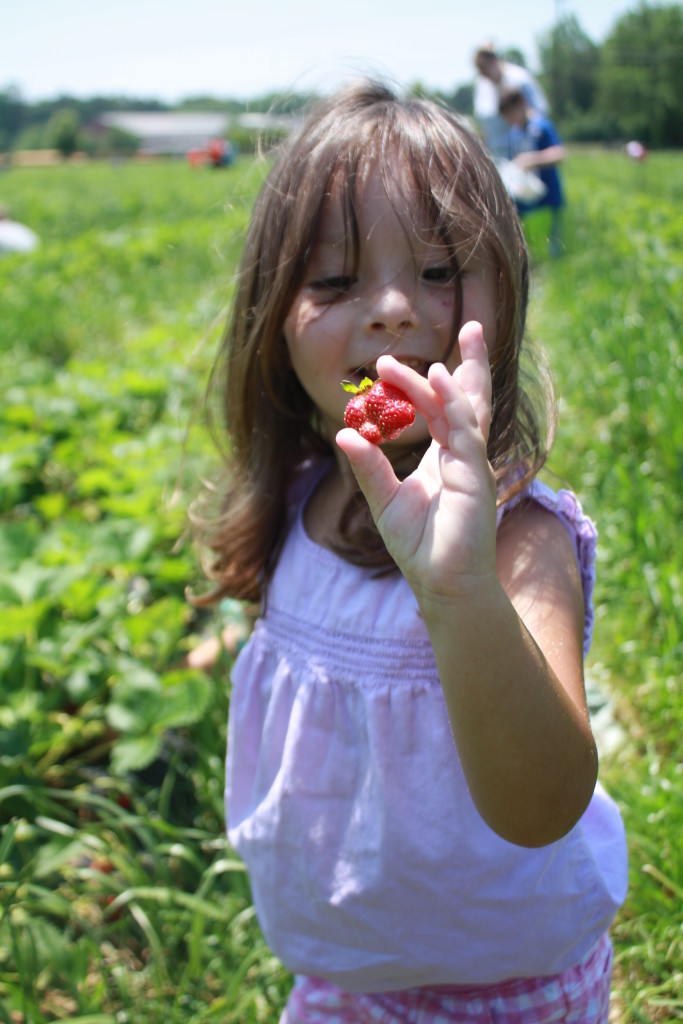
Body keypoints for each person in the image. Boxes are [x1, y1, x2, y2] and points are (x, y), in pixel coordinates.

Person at [192, 80, 627, 1023]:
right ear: (272, 319)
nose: (391, 309)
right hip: (341, 975)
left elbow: (541, 802)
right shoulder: (301, 500)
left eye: (439, 271)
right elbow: (315, 649)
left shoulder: (519, 542)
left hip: (509, 984)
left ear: (506, 293)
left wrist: (457, 591)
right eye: (336, 281)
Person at [499, 88, 566, 257]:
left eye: (510, 115)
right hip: (525, 200)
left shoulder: (541, 127)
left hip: (548, 198)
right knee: (531, 248)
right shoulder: (514, 133)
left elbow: (559, 154)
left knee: (552, 246)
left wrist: (531, 159)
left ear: (520, 104)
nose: (510, 121)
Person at [473, 42, 549, 159]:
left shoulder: (520, 78)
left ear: (493, 60)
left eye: (482, 67)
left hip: (523, 153)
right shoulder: (482, 85)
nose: (481, 72)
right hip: (495, 155)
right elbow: (484, 125)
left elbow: (539, 113)